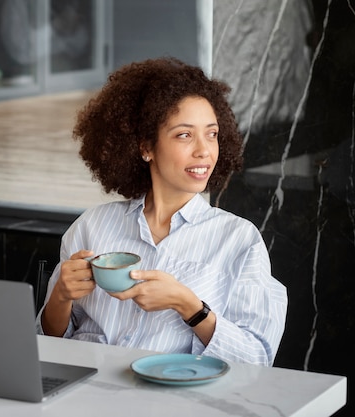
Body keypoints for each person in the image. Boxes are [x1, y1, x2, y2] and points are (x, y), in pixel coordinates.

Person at [36, 57, 287, 366]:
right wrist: (61, 295)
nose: (204, 150)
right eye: (184, 135)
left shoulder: (239, 240)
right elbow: (46, 346)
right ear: (146, 147)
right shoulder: (92, 226)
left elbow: (257, 359)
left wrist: (189, 307)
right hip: (83, 394)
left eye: (211, 134)